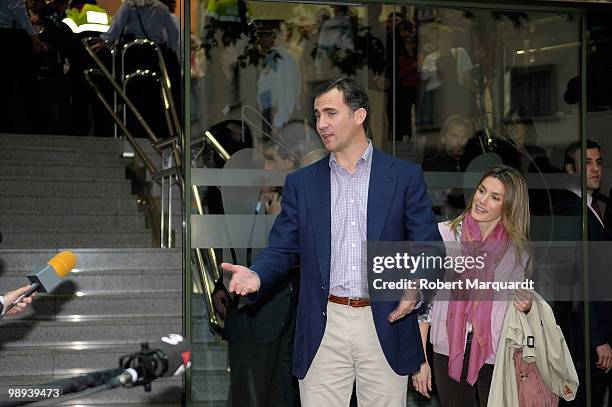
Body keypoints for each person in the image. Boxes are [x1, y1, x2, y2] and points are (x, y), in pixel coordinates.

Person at [222, 78, 442, 406]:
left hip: (385, 321)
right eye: (317, 115)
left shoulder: (404, 177)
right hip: (324, 326)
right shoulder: (302, 184)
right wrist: (257, 276)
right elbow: (282, 248)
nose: (321, 124)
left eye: (330, 113)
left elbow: (430, 247)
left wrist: (415, 286)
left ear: (359, 116)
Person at [413, 165, 533, 407]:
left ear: (508, 206)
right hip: (448, 350)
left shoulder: (517, 252)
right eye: (481, 190)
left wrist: (527, 305)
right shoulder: (443, 237)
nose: (482, 200)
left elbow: (517, 307)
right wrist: (420, 361)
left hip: (497, 354)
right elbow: (424, 305)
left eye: (495, 197)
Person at [554, 140, 612, 407]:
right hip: (584, 340)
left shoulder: (590, 206)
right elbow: (581, 282)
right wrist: (598, 339)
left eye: (598, 162)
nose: (595, 169)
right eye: (587, 163)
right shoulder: (574, 212)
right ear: (570, 170)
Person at [0, 0, 43, 133]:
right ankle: (34, 126)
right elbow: (19, 12)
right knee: (28, 84)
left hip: (6, 34)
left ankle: (5, 125)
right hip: (13, 37)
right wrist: (34, 36)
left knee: (5, 85)